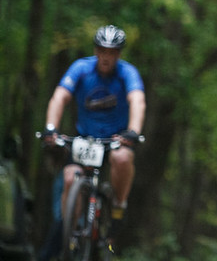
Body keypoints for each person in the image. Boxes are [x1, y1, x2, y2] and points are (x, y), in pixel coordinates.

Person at [43, 25, 146, 253]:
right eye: (102, 50)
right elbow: (59, 97)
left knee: (122, 159)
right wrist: (51, 128)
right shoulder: (81, 68)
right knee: (70, 178)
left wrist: (133, 131)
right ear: (95, 50)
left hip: (116, 139)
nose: (106, 57)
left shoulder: (127, 73)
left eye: (112, 52)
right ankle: (70, 232)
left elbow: (137, 101)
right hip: (85, 139)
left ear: (119, 54)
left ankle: (119, 205)